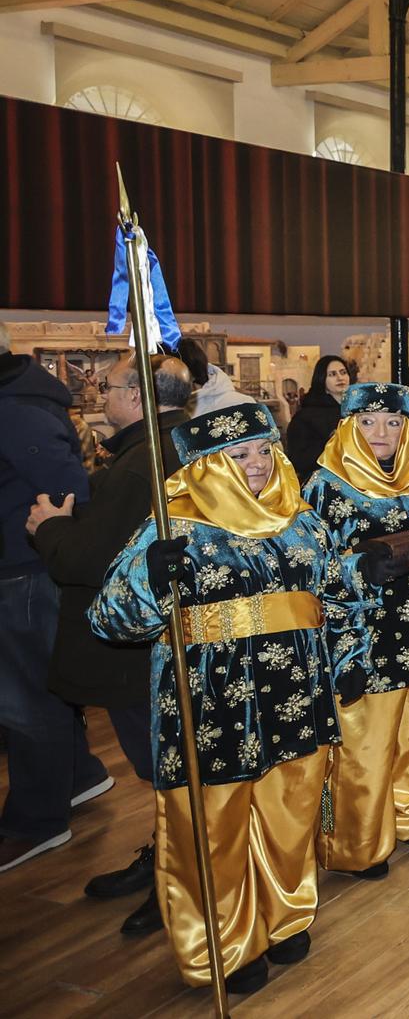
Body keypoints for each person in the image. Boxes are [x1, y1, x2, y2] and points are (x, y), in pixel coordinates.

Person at [90, 404, 370, 996]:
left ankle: (286, 911)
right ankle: (225, 940)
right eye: (237, 455)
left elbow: (340, 593)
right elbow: (110, 619)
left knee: (290, 810)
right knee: (212, 823)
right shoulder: (173, 527)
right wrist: (149, 576)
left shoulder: (301, 519)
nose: (257, 465)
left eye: (263, 450)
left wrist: (347, 662)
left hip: (298, 691)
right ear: (206, 466)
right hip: (210, 699)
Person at [26, 353, 190, 928]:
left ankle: (177, 881)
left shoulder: (143, 460)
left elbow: (99, 563)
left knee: (168, 770)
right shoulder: (176, 446)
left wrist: (49, 529)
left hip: (137, 650)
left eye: (111, 386)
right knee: (172, 770)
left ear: (139, 397)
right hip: (162, 643)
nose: (101, 396)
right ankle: (168, 861)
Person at [302, 383, 409, 876]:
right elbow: (313, 572)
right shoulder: (324, 487)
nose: (381, 433)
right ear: (348, 426)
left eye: (393, 422)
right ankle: (358, 841)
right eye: (368, 422)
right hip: (366, 636)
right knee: (366, 741)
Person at [0, 323, 102, 875]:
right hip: (22, 566)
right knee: (37, 687)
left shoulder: (16, 409)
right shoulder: (21, 401)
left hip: (22, 570)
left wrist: (49, 537)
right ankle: (79, 776)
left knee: (25, 700)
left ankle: (35, 821)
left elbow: (66, 491)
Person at [284, 354, 352, 480]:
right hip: (322, 482)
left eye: (343, 372)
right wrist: (333, 442)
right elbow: (298, 459)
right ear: (322, 380)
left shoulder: (358, 411)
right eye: (332, 374)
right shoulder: (305, 417)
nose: (340, 377)